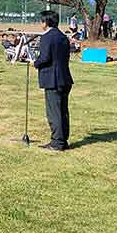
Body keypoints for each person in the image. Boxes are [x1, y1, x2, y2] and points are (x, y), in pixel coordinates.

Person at [33, 10, 74, 152]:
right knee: (63, 111)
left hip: (53, 80)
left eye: (42, 21)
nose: (41, 23)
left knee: (54, 112)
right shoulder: (63, 37)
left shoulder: (47, 37)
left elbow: (44, 58)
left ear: (46, 22)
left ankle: (57, 143)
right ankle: (63, 140)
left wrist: (35, 62)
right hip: (65, 78)